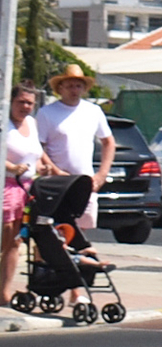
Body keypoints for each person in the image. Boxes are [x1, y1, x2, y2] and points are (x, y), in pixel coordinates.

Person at [34, 67, 113, 300]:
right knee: (48, 234)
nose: (74, 90)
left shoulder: (93, 111)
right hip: (55, 185)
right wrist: (55, 170)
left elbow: (108, 142)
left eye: (78, 85)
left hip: (84, 184)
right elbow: (38, 146)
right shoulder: (47, 113)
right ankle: (45, 281)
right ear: (60, 88)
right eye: (69, 85)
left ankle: (76, 290)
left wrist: (101, 175)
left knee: (79, 235)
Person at [2, 83, 41, 303]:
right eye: (21, 102)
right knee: (6, 236)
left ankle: (3, 292)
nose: (25, 107)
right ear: (12, 101)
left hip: (27, 187)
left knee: (16, 241)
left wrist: (48, 167)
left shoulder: (32, 124)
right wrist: (10, 167)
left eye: (30, 103)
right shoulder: (3, 122)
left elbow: (37, 153)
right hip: (6, 185)